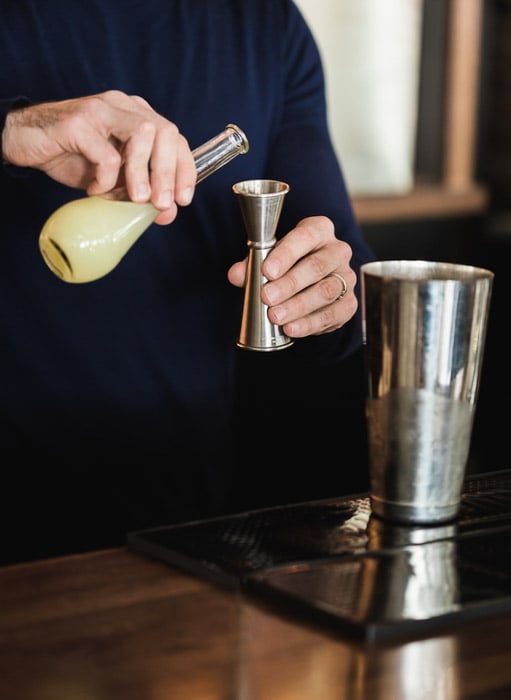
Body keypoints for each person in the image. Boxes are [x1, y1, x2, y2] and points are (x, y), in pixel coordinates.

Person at [0, 0, 375, 566]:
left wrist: (328, 292)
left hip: (183, 520)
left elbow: (348, 284)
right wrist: (13, 127)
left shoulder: (264, 24)